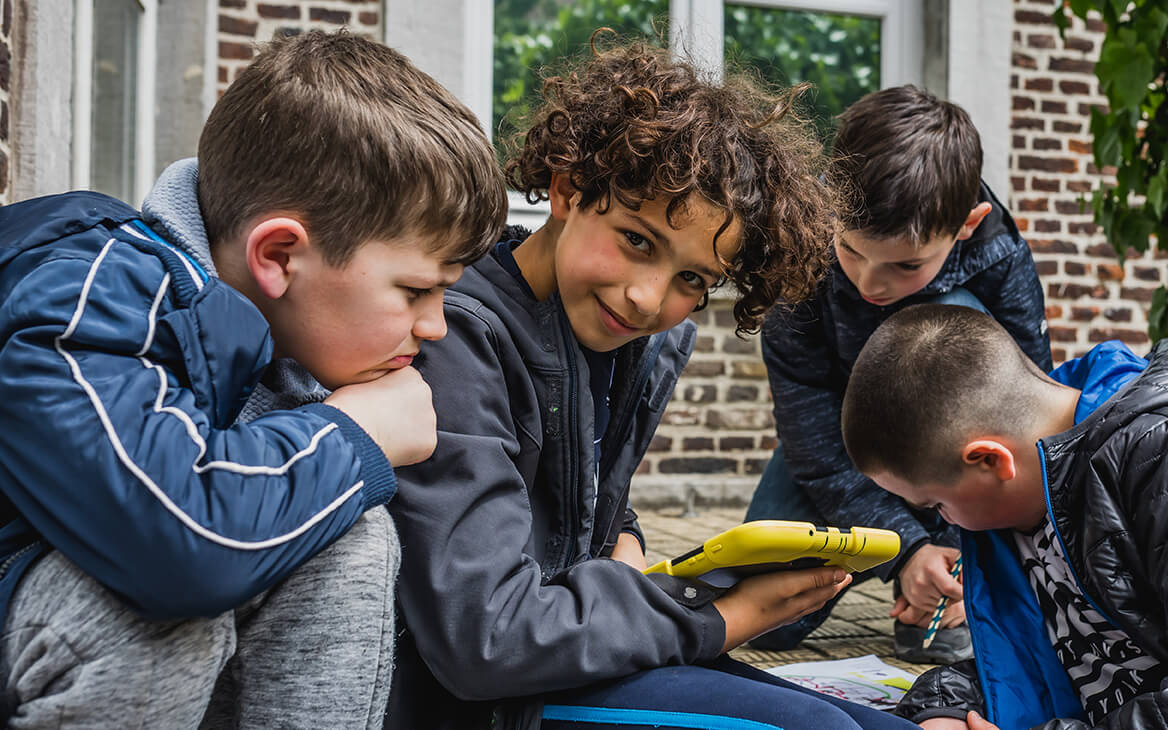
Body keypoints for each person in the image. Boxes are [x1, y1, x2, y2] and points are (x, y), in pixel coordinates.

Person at [387, 35, 916, 730]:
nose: (646, 298)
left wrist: (627, 544)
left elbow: (572, 498)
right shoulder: (460, 339)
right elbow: (484, 638)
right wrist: (721, 619)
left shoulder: (623, 340)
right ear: (569, 189)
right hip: (485, 698)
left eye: (692, 280)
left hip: (574, 648)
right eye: (638, 240)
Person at [0, 30, 506, 727]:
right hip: (52, 603)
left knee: (348, 535)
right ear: (278, 254)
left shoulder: (283, 336)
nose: (435, 326)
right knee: (147, 621)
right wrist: (354, 432)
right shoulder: (87, 293)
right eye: (417, 290)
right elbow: (176, 548)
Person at [840, 303, 1168, 729]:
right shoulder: (1020, 508)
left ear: (991, 461)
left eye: (935, 505)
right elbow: (1050, 658)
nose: (948, 522)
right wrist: (944, 707)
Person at [745, 85, 1052, 662]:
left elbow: (1027, 429)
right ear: (831, 208)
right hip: (841, 440)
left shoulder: (999, 260)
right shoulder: (794, 249)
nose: (869, 284)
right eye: (851, 250)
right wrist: (905, 550)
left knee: (967, 328)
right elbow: (809, 434)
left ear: (968, 223)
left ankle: (955, 592)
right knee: (765, 623)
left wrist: (952, 560)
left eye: (905, 265)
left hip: (950, 446)